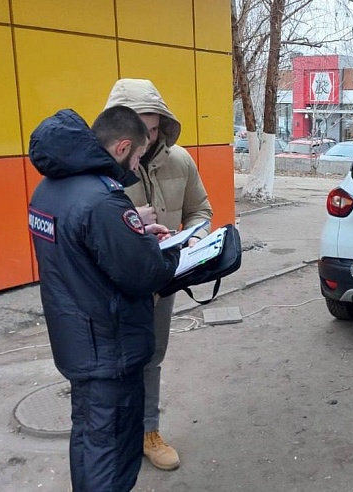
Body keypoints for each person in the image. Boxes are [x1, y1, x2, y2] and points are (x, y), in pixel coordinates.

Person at [28, 106, 180, 490]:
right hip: (109, 350)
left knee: (88, 440)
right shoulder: (102, 200)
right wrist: (170, 249)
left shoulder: (49, 188)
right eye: (138, 156)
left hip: (77, 341)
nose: (136, 164)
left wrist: (131, 227)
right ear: (123, 146)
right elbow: (144, 274)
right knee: (111, 454)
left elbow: (79, 243)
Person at [103, 79, 213, 471]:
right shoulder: (100, 171)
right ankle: (115, 436)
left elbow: (201, 209)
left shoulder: (180, 161)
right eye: (137, 128)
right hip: (114, 290)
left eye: (152, 128)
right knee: (114, 363)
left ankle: (149, 431)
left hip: (161, 284)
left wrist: (191, 240)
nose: (145, 139)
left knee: (152, 358)